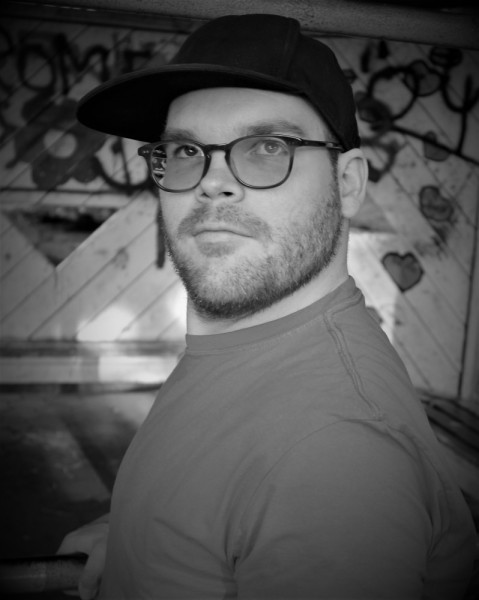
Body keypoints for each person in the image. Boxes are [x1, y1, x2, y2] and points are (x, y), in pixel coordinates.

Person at [58, 13, 476, 600]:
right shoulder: (254, 345)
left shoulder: (334, 458)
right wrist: (134, 540)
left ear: (348, 183)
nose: (212, 183)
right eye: (185, 150)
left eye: (267, 147)